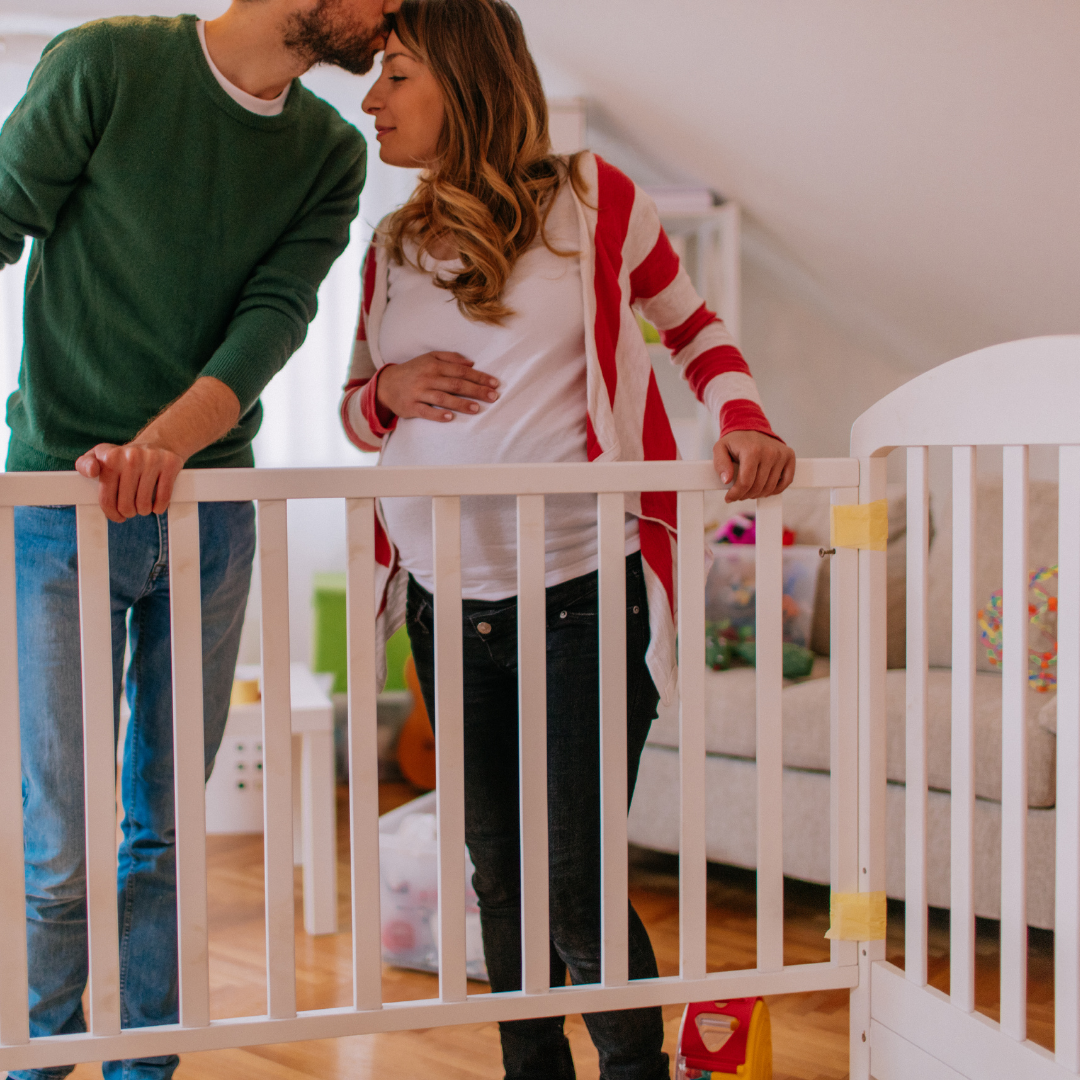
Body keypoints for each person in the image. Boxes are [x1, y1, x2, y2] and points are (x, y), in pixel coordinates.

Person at [340, 2, 795, 1076]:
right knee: (494, 872)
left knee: (573, 877)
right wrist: (390, 388)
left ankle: (637, 1066)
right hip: (447, 601)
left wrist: (742, 420)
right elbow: (357, 412)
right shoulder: (390, 244)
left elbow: (694, 330)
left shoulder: (596, 201)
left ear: (462, 75)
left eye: (396, 73)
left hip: (582, 590)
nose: (371, 99)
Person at [0, 1, 389, 1076]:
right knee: (60, 840)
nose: (394, 12)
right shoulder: (106, 67)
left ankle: (146, 1064)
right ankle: (38, 1058)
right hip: (54, 507)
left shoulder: (329, 153)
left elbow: (272, 320)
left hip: (206, 514)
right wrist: (119, 458)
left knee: (165, 828)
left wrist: (162, 447)